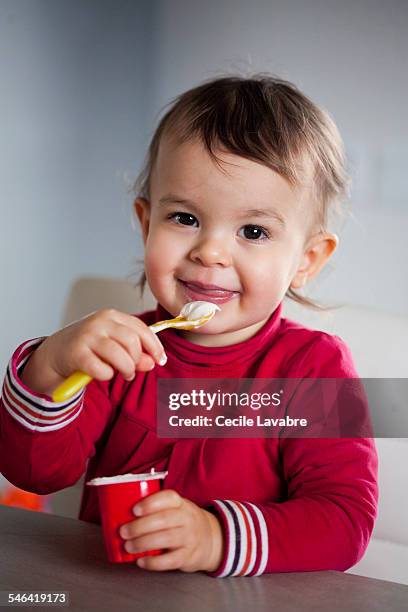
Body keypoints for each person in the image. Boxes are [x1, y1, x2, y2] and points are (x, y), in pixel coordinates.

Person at [0, 75, 378, 577]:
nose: (211, 252)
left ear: (307, 259)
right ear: (145, 223)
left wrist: (216, 539)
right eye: (184, 218)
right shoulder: (117, 354)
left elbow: (343, 521)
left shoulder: (312, 368)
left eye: (253, 231)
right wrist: (48, 365)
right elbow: (34, 473)